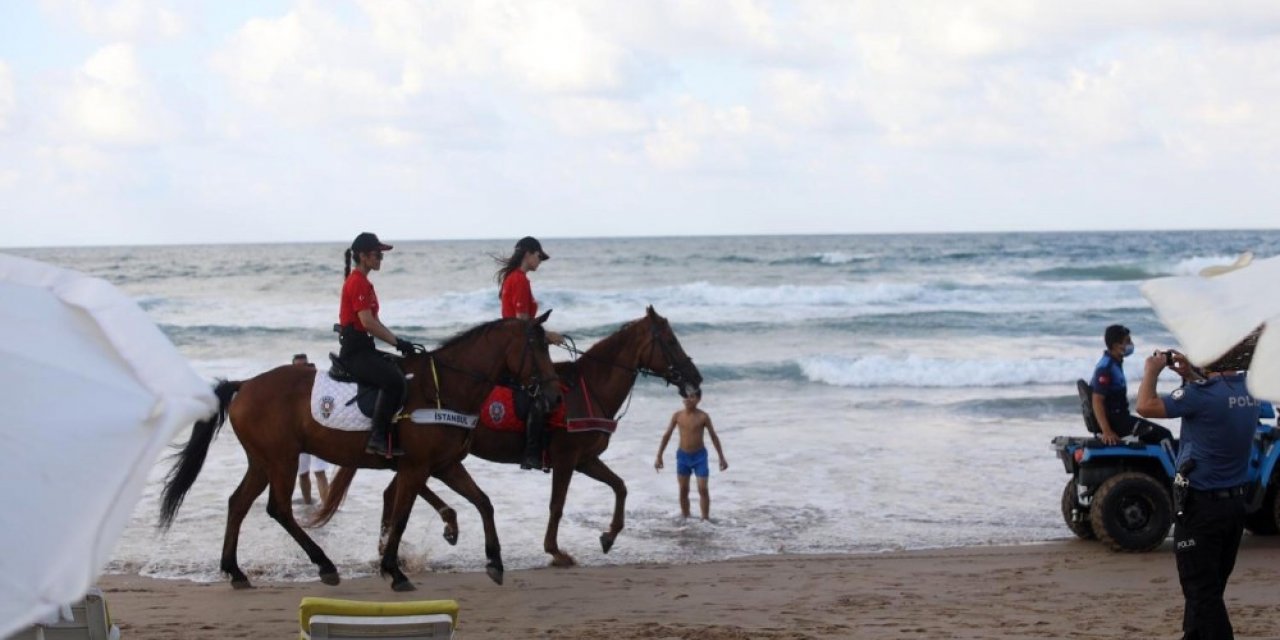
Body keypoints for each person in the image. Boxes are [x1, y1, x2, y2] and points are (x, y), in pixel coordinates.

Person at [1136, 333, 1262, 640]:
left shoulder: (1201, 395)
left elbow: (1146, 405)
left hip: (1202, 507)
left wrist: (1152, 369)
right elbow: (1222, 401)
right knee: (1210, 589)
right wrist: (1192, 375)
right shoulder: (1251, 389)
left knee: (1201, 593)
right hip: (1233, 507)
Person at [338, 232, 414, 457]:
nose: (381, 258)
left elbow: (375, 322)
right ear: (362, 256)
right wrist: (397, 342)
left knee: (402, 368)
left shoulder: (365, 283)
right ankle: (376, 439)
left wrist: (399, 343)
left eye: (382, 255)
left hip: (365, 346)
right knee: (393, 381)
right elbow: (367, 323)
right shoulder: (357, 282)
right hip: (355, 351)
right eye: (377, 254)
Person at [494, 236, 564, 469]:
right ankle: (532, 453)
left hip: (510, 342)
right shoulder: (520, 280)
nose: (540, 261)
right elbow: (523, 324)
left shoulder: (510, 278)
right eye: (539, 256)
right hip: (517, 345)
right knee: (540, 394)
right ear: (528, 254)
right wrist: (547, 335)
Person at [1091, 324, 1174, 446]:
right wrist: (1107, 431)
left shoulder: (1115, 363)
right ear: (1115, 346)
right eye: (1127, 341)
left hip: (1122, 418)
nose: (1131, 344)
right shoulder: (1106, 367)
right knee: (1164, 436)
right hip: (1117, 422)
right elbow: (1097, 400)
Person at [654, 390, 728, 520]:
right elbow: (667, 435)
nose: (688, 399)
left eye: (692, 397)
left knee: (703, 489)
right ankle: (685, 518)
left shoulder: (703, 417)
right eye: (686, 397)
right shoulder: (677, 416)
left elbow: (713, 436)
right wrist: (659, 455)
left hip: (700, 457)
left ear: (698, 399)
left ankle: (705, 519)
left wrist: (721, 457)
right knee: (683, 489)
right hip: (683, 457)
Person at [291, 354, 332, 506]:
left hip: (317, 434)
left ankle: (327, 507)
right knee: (302, 473)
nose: (302, 369)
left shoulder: (318, 382)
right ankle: (308, 504)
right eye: (298, 366)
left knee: (320, 472)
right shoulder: (289, 387)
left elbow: (328, 403)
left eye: (304, 365)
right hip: (298, 435)